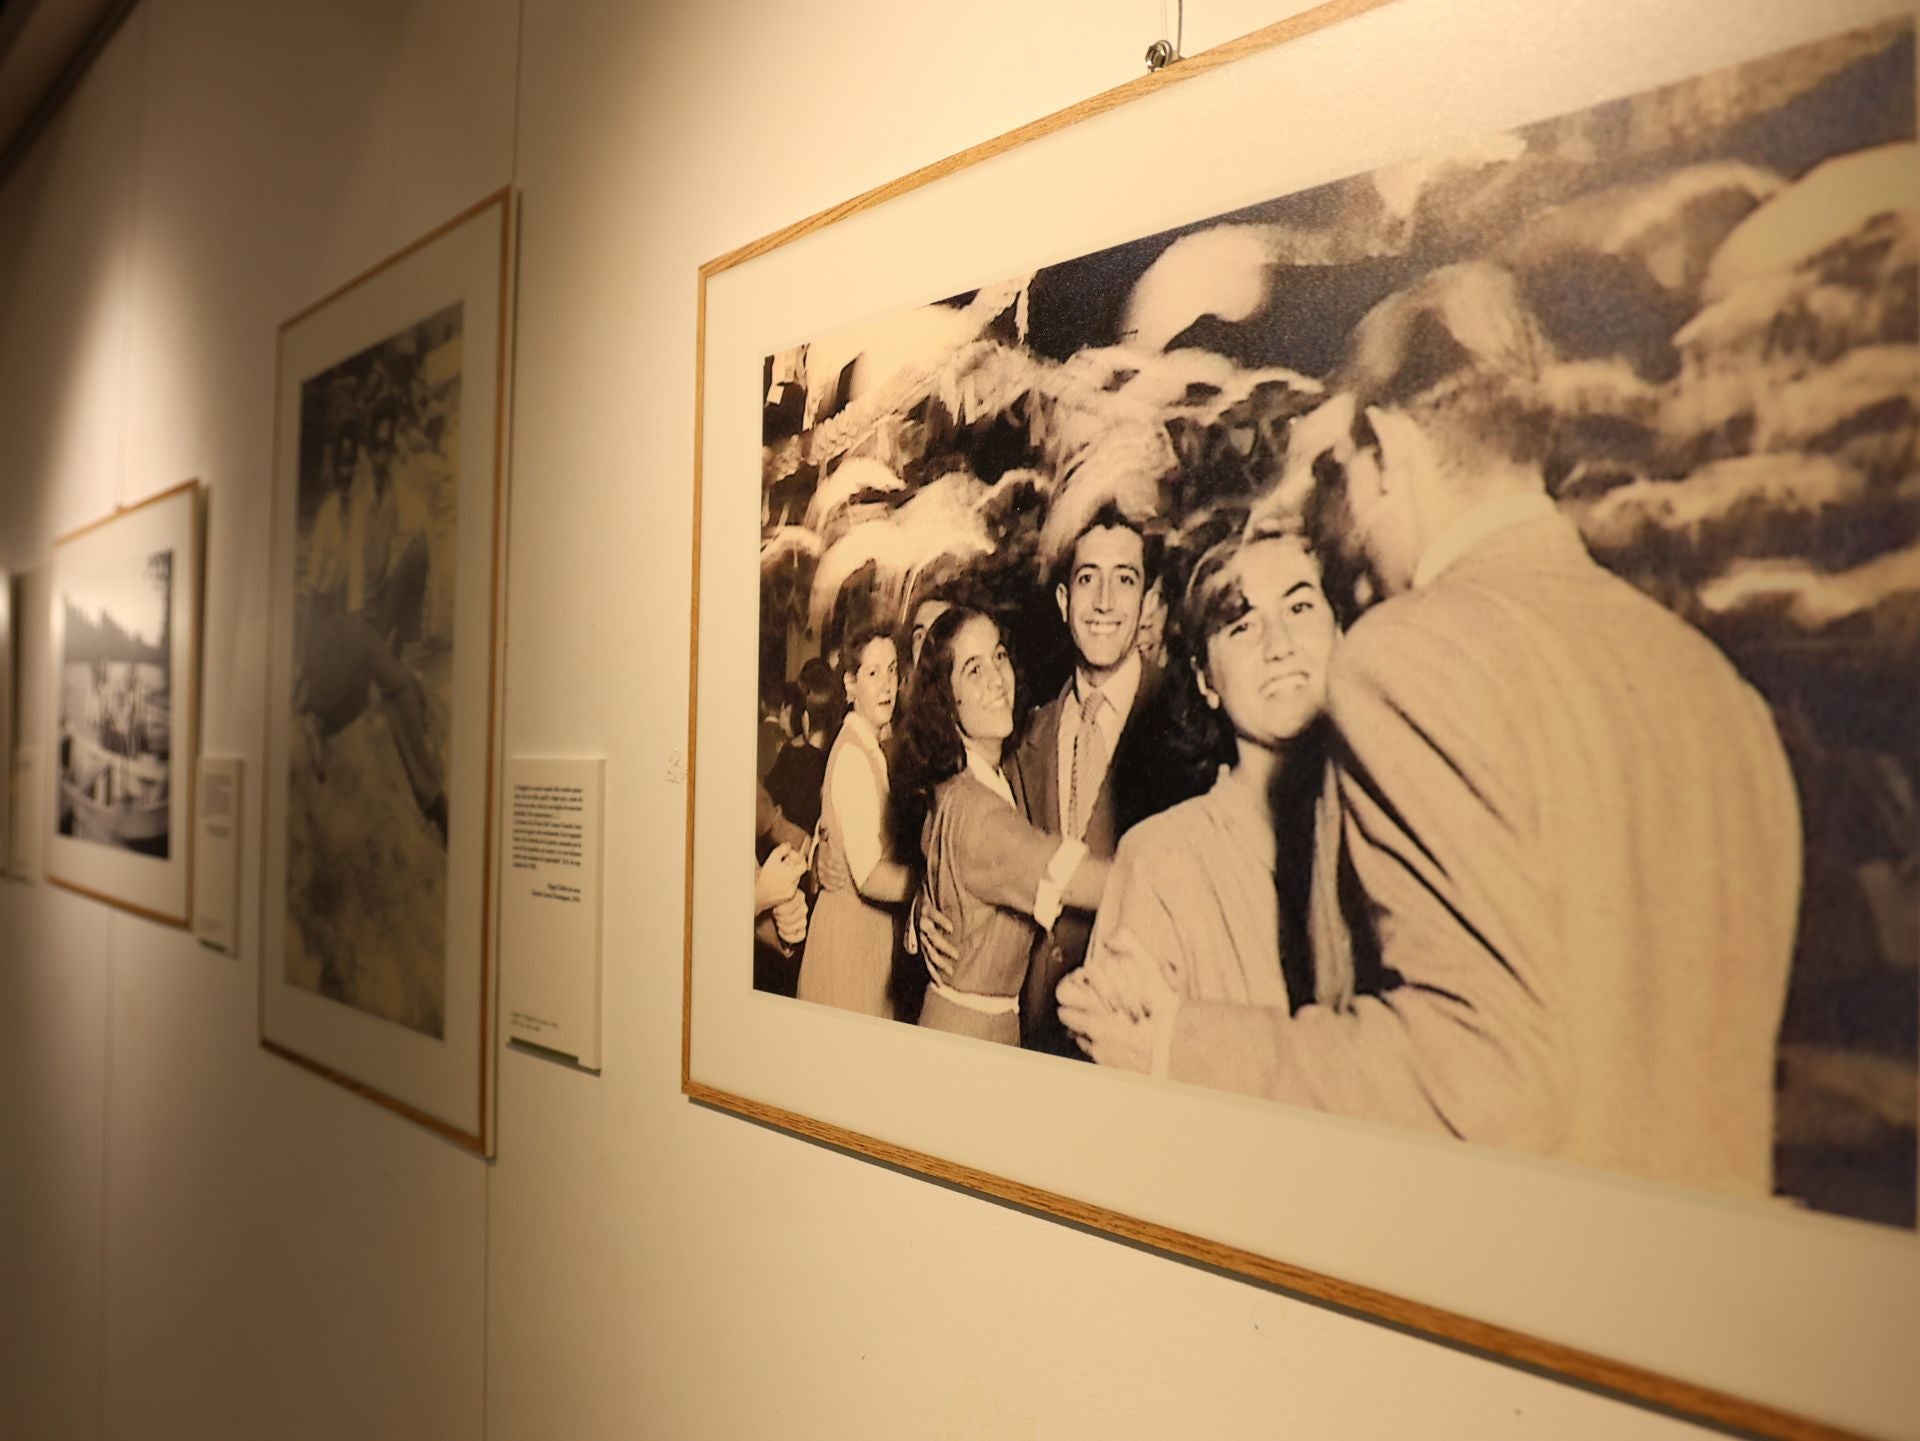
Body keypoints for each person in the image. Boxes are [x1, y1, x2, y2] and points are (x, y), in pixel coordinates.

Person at [1077, 262, 1802, 1195]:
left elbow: (1481, 1080)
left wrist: (1175, 1040)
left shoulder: (1411, 654)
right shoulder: (1716, 689)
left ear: (1386, 447)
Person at [1059, 528, 1350, 1066]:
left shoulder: (1397, 825)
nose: (1278, 643)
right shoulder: (1160, 861)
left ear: (1341, 630)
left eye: (1300, 607)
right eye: (1241, 625)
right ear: (1204, 678)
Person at [897, 607, 1110, 1045]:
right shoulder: (977, 809)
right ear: (944, 701)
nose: (997, 678)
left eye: (999, 656)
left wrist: (927, 904)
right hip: (971, 1036)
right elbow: (1072, 876)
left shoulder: (977, 777)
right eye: (974, 670)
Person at [1003, 502, 1162, 1055]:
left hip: (1135, 1043)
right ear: (1064, 600)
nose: (1103, 602)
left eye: (1125, 580)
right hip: (1037, 1041)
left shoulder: (1183, 724)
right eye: (1087, 579)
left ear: (1148, 604)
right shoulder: (1027, 736)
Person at [796, 625, 913, 1017]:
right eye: (873, 673)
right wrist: (933, 887)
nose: (887, 686)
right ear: (849, 685)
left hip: (865, 937)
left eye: (893, 671)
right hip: (851, 944)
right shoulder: (853, 756)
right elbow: (871, 877)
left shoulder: (871, 747)